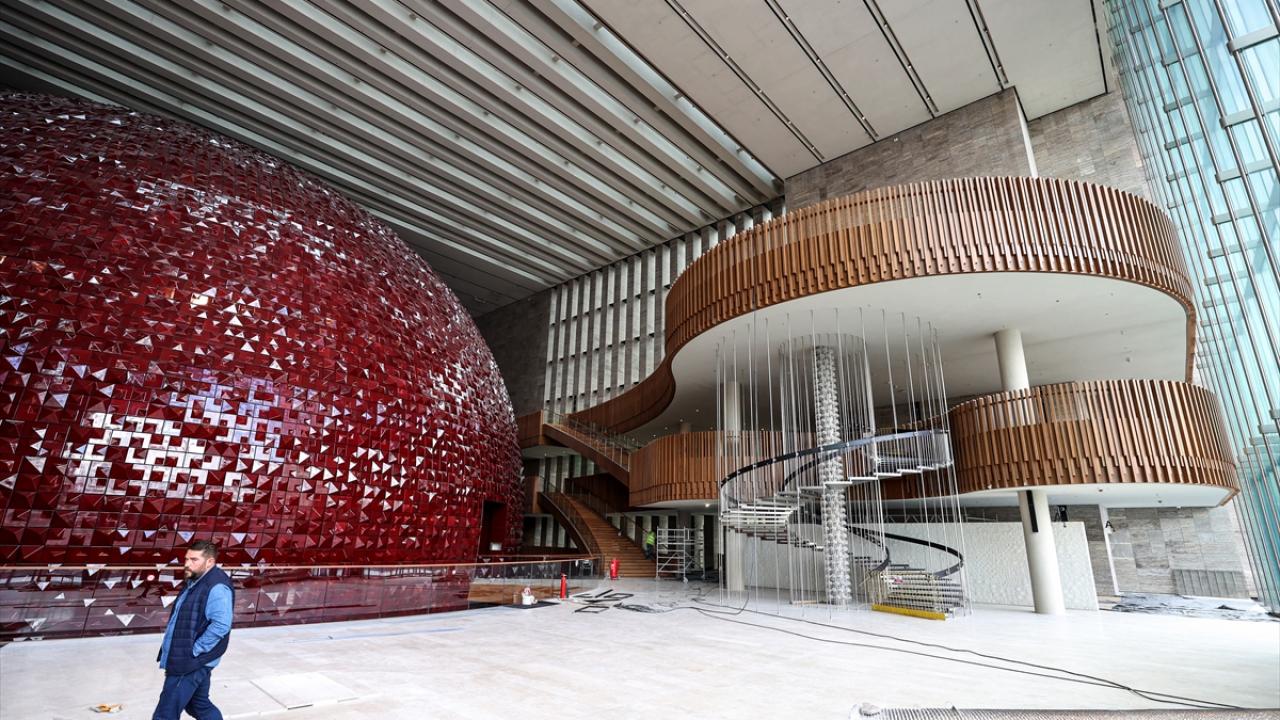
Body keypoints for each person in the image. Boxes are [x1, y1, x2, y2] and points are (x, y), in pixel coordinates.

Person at [152, 540, 234, 720]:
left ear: (210, 562)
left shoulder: (217, 587)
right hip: (190, 658)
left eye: (194, 560)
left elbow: (221, 625)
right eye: (186, 559)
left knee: (165, 714)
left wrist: (194, 650)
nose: (187, 564)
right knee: (198, 706)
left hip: (190, 662)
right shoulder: (196, 580)